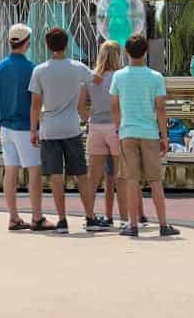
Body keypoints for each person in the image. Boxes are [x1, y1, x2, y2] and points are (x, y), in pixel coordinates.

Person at [110, 34, 180, 238]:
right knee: (155, 180)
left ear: (126, 52)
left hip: (127, 132)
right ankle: (163, 224)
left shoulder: (119, 76)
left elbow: (114, 105)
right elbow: (160, 108)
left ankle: (132, 225)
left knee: (132, 180)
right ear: (146, 52)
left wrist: (118, 127)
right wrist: (164, 136)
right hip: (149, 133)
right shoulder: (156, 77)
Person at [29, 28, 97, 234]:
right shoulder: (77, 67)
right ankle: (90, 217)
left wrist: (34, 129)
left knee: (56, 175)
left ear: (48, 46)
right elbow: (98, 80)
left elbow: (35, 104)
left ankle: (62, 219)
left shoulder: (40, 71)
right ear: (67, 44)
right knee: (81, 174)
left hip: (50, 128)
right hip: (71, 127)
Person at [0, 24, 50, 231]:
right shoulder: (32, 68)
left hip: (5, 126)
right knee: (34, 171)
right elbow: (36, 100)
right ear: (27, 43)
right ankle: (37, 216)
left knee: (10, 172)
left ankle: (13, 216)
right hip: (25, 126)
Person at [78, 40, 124, 231]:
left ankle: (90, 217)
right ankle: (124, 218)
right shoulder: (120, 77)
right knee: (119, 175)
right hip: (115, 127)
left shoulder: (90, 78)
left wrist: (90, 119)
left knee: (93, 177)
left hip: (96, 127)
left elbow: (80, 107)